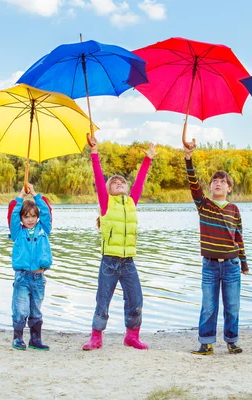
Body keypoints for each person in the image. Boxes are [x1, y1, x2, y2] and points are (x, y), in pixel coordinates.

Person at [82, 135, 156, 351]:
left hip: (128, 262)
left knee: (136, 299)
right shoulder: (106, 204)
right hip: (109, 262)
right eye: (114, 182)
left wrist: (148, 159)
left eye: (122, 181)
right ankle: (96, 337)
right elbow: (97, 177)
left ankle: (132, 336)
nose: (119, 183)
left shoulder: (132, 202)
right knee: (102, 300)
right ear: (108, 189)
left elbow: (140, 179)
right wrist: (94, 153)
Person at [184, 140, 249, 356]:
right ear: (210, 187)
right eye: (215, 181)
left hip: (231, 265)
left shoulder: (234, 209)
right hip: (210, 265)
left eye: (223, 181)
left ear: (230, 188)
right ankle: (206, 343)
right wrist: (188, 158)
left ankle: (232, 341)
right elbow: (194, 184)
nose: (218, 184)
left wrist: (244, 262)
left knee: (232, 306)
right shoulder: (204, 205)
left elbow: (238, 236)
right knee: (209, 306)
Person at [8, 183, 53, 351]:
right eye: (26, 216)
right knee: (20, 308)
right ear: (22, 218)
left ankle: (35, 339)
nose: (30, 219)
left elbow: (47, 212)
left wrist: (35, 195)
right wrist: (21, 195)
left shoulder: (44, 229)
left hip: (39, 278)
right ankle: (18, 338)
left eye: (33, 216)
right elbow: (13, 214)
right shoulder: (17, 232)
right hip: (22, 277)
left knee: (36, 309)